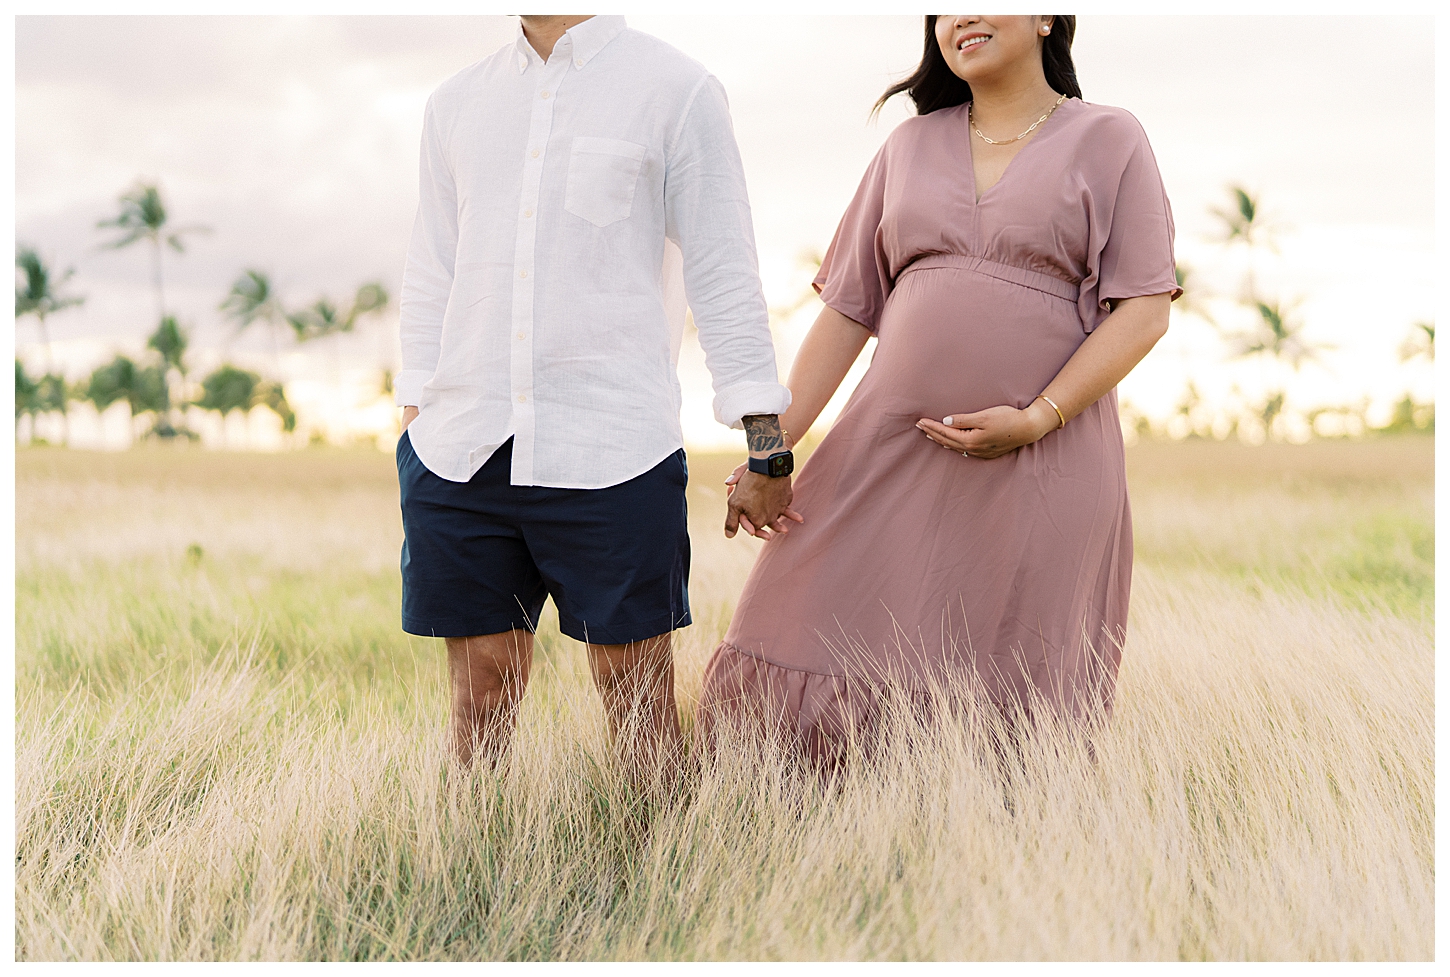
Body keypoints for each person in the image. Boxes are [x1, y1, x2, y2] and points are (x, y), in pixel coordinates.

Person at [698, 15, 1181, 765]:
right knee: (795, 614)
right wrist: (771, 453)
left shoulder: (1110, 139)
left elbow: (1145, 309)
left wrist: (1036, 418)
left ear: (1048, 15)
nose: (961, 16)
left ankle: (983, 861)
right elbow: (846, 312)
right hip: (889, 449)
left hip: (1044, 461)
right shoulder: (908, 147)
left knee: (1010, 675)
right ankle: (810, 845)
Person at [394, 15, 798, 774]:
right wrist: (416, 411)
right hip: (461, 446)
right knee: (479, 693)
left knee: (636, 697)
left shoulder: (677, 89)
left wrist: (766, 447)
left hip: (615, 445)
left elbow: (723, 269)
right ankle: (470, 876)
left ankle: (660, 880)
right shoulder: (455, 102)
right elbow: (431, 267)